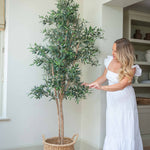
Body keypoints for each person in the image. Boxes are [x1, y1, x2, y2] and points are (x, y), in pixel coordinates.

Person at [82, 38, 143, 150]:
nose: (112, 53)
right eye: (112, 50)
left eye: (115, 51)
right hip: (113, 101)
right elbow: (104, 77)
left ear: (123, 52)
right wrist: (92, 84)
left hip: (125, 102)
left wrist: (102, 87)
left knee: (126, 129)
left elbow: (122, 85)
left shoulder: (131, 67)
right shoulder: (110, 61)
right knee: (114, 129)